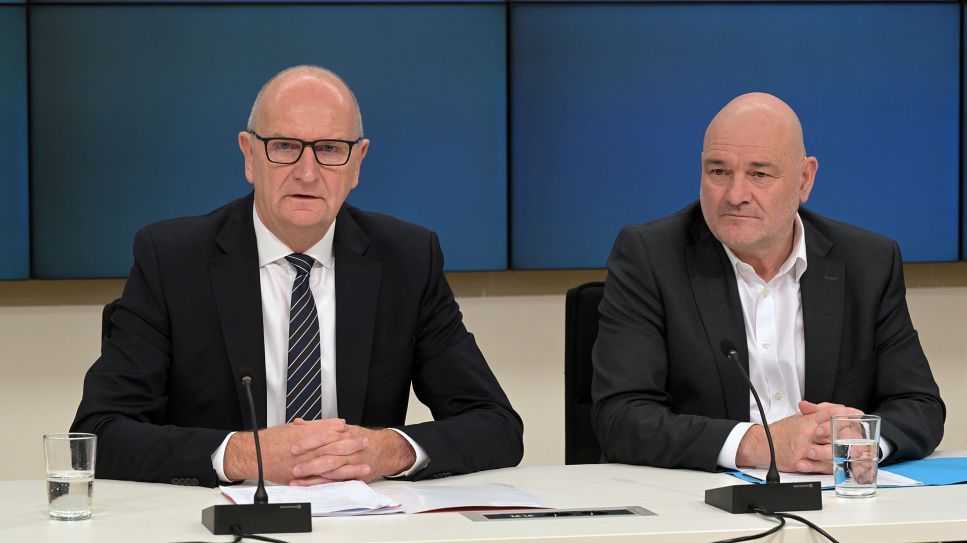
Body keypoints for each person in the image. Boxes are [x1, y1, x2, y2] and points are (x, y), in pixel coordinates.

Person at [71, 65, 523, 487]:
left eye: (329, 149)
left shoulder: (407, 259)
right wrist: (244, 455)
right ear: (249, 155)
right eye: (285, 146)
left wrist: (387, 449)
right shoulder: (172, 259)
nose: (307, 173)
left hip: (362, 526)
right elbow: (99, 434)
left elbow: (497, 426)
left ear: (357, 163)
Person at [591, 92, 945, 474]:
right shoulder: (651, 256)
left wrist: (855, 442)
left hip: (837, 503)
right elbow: (621, 418)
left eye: (759, 174)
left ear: (804, 179)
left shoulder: (867, 263)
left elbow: (919, 406)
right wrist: (760, 444)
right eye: (718, 171)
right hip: (697, 502)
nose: (735, 195)